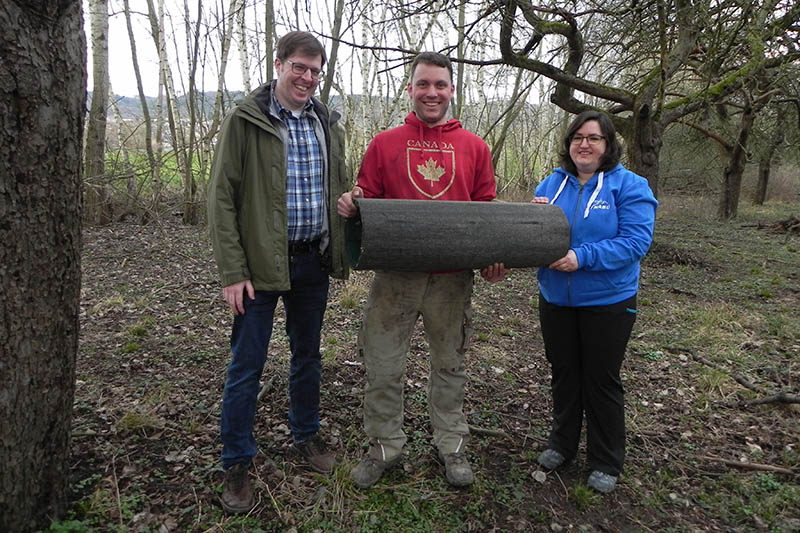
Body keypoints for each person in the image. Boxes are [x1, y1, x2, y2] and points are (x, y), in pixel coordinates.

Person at [337, 52, 497, 489]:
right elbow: (364, 198)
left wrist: (492, 257)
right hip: (395, 279)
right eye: (423, 84)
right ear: (410, 89)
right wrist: (353, 201)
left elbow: (485, 214)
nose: (432, 92)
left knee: (450, 365)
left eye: (440, 85)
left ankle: (452, 446)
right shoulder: (385, 143)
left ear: (451, 90)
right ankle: (384, 445)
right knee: (384, 365)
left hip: (451, 280)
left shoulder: (475, 147)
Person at [207, 31, 350, 514]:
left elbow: (337, 185)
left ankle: (306, 436)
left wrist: (346, 210)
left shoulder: (326, 121)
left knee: (307, 356)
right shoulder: (246, 120)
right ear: (279, 64)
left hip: (313, 261)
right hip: (259, 268)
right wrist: (232, 270)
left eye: (315, 70)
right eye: (299, 67)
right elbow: (221, 198)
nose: (307, 78)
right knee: (247, 364)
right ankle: (237, 462)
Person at [505, 110, 657, 493]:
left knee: (600, 379)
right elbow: (538, 237)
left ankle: (605, 459)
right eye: (577, 137)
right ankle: (562, 443)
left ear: (608, 145)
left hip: (608, 300)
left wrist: (581, 257)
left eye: (594, 138)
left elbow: (635, 243)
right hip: (556, 297)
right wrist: (532, 224)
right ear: (568, 143)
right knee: (564, 372)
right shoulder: (552, 184)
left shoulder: (630, 186)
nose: (584, 144)